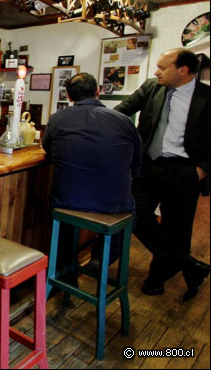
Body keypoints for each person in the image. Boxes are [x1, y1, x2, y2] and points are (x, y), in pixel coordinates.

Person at [115, 49, 210, 301]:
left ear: (184, 70)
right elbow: (119, 113)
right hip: (147, 166)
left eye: (162, 67)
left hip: (184, 171)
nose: (156, 71)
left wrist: (201, 171)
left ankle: (157, 278)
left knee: (177, 228)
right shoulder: (151, 88)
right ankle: (191, 267)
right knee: (136, 215)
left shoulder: (207, 97)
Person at [43, 73, 143, 273]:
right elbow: (136, 163)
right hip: (114, 203)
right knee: (131, 213)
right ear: (98, 91)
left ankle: (66, 270)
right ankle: (101, 259)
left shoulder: (57, 119)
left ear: (69, 97)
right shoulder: (124, 121)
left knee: (63, 207)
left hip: (68, 201)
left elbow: (48, 150)